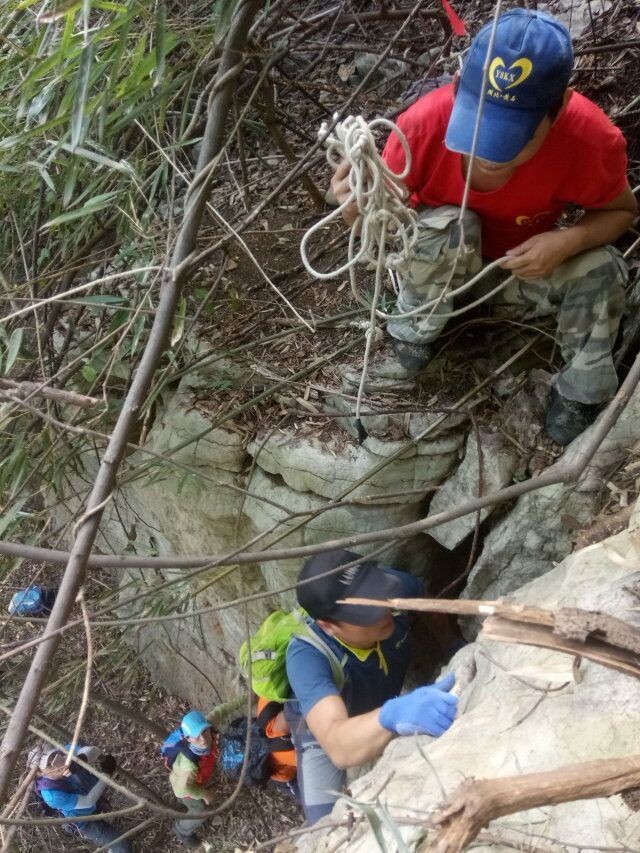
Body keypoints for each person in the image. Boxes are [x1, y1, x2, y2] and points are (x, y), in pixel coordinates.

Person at [331, 9, 638, 445]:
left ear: (561, 106)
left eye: (515, 138)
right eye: (476, 125)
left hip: (521, 275)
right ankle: (416, 322)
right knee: (454, 222)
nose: (489, 153)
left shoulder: (590, 140)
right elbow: (382, 226)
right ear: (459, 88)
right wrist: (354, 207)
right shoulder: (424, 124)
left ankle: (581, 392)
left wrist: (568, 240)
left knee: (602, 267)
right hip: (440, 269)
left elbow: (621, 212)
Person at [285, 549, 458, 824]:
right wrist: (392, 715)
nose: (382, 609)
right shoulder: (307, 658)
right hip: (324, 731)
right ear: (328, 626)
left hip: (379, 700)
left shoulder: (397, 589)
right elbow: (338, 745)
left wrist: (454, 647)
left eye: (379, 595)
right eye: (363, 612)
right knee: (322, 827)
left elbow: (432, 609)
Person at [28, 743, 131, 853]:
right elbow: (88, 802)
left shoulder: (65, 753)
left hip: (94, 800)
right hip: (83, 820)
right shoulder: (51, 795)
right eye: (49, 765)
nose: (57, 766)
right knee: (121, 847)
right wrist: (106, 774)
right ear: (39, 773)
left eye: (55, 757)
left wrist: (82, 759)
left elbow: (95, 749)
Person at [168, 710, 217, 848]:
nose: (203, 739)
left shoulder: (207, 728)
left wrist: (243, 700)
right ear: (188, 739)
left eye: (204, 732)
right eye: (196, 736)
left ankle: (186, 808)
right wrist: (205, 794)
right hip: (184, 788)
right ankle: (181, 829)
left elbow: (220, 711)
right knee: (201, 811)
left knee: (194, 802)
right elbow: (183, 789)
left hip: (186, 779)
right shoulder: (189, 765)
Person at [255, 695, 299, 799]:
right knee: (304, 797)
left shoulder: (267, 700)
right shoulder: (283, 751)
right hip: (286, 777)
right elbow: (309, 760)